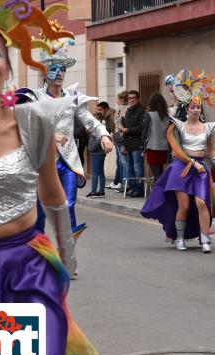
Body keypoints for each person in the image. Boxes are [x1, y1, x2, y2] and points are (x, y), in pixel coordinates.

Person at [0, 3, 115, 355]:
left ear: (7, 66)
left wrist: (67, 265)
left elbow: (53, 199)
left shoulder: (33, 122)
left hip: (25, 275)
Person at [16, 39, 114, 242]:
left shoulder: (73, 98)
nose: (59, 73)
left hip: (68, 160)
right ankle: (39, 254)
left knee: (68, 204)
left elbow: (90, 121)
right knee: (40, 209)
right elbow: (25, 129)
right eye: (54, 69)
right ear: (45, 73)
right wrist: (50, 137)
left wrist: (103, 134)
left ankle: (67, 255)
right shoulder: (35, 98)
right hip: (43, 162)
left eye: (62, 69)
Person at [141, 68, 215, 253]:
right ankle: (179, 238)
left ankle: (205, 239)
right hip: (181, 168)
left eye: (198, 107)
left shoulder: (208, 128)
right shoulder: (178, 127)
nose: (195, 110)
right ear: (187, 110)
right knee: (184, 205)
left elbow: (211, 151)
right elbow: (176, 150)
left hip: (201, 169)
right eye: (192, 107)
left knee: (202, 203)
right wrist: (191, 162)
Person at [120, 90, 146, 197]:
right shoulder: (128, 110)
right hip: (128, 144)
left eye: (134, 98)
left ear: (138, 99)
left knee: (137, 167)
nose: (132, 100)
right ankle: (133, 187)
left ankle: (139, 189)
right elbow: (124, 123)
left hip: (137, 144)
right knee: (129, 167)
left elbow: (141, 127)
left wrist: (127, 130)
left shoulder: (141, 111)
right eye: (130, 98)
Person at [143, 92, 170, 183]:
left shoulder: (149, 115)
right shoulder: (166, 117)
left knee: (156, 174)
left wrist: (142, 146)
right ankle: (162, 194)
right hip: (164, 148)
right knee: (161, 172)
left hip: (152, 147)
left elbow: (145, 132)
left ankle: (158, 195)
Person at [108, 91, 128, 191]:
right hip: (120, 136)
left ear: (122, 100)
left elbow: (121, 123)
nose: (116, 101)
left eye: (118, 99)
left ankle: (124, 184)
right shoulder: (123, 108)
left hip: (121, 137)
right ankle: (122, 183)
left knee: (123, 162)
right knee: (122, 162)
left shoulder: (123, 109)